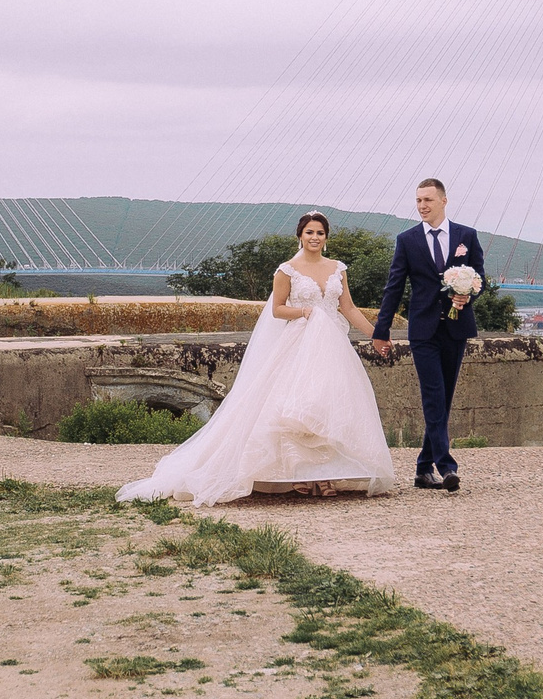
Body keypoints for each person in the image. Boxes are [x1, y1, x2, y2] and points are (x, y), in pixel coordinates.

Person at [116, 212, 397, 507]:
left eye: (320, 233)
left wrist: (377, 334)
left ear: (326, 238)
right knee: (294, 407)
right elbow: (277, 309)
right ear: (300, 236)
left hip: (332, 347)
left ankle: (326, 474)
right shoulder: (287, 270)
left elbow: (349, 308)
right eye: (309, 232)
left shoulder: (338, 269)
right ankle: (300, 473)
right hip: (299, 342)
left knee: (327, 405)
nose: (315, 238)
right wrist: (304, 312)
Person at [371, 177, 485, 492]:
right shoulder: (407, 240)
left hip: (456, 327)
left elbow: (479, 278)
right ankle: (446, 466)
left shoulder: (467, 236)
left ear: (443, 201)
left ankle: (423, 469)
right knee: (433, 395)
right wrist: (382, 331)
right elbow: (394, 287)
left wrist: (467, 296)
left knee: (444, 398)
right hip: (422, 329)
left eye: (428, 200)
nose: (422, 206)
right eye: (419, 200)